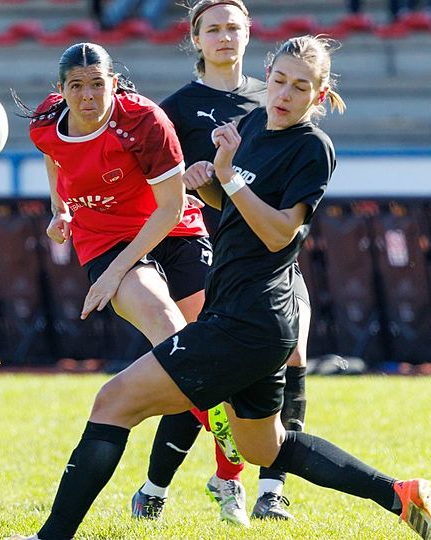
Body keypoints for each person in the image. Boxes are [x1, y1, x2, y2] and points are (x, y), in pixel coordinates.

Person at [13, 35, 431, 540]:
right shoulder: (255, 125)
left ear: (321, 93)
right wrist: (209, 185)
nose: (285, 94)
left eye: (301, 86)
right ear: (268, 75)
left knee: (113, 402)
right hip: (249, 317)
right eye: (280, 81)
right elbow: (236, 212)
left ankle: (51, 537)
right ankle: (400, 495)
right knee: (265, 448)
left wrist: (230, 179)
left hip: (248, 320)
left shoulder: (313, 147)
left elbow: (279, 230)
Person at [16, 40, 248, 526]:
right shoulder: (44, 123)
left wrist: (115, 274)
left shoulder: (144, 122)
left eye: (98, 84)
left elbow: (167, 208)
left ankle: (227, 472)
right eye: (76, 87)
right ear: (60, 91)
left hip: (173, 227)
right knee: (172, 336)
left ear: (114, 84)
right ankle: (232, 458)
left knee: (205, 349)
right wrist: (60, 208)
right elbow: (52, 155)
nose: (87, 97)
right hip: (103, 237)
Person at [130, 0, 313, 524]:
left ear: (250, 34)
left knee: (295, 354)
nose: (225, 37)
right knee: (203, 374)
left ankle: (271, 489)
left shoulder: (274, 97)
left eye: (234, 27)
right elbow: (149, 185)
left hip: (270, 254)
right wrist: (193, 181)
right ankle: (158, 488)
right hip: (204, 252)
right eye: (214, 28)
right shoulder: (176, 110)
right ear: (196, 39)